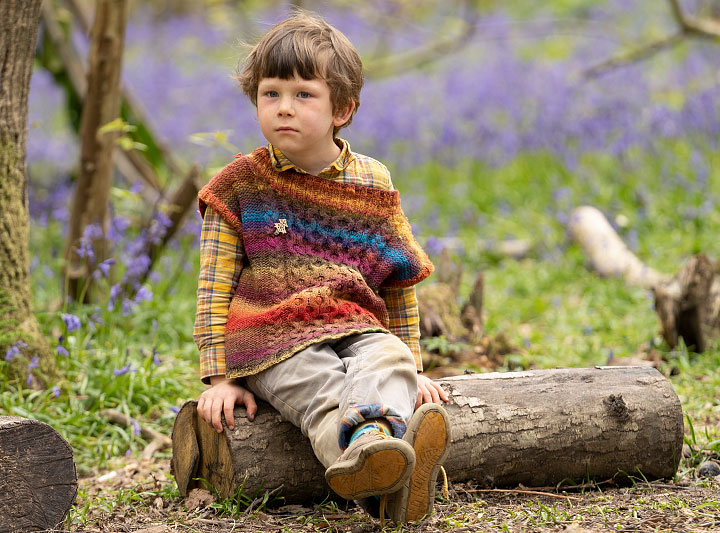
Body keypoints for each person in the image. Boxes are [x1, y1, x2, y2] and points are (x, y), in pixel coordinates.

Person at [193, 11, 450, 524]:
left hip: (355, 324)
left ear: (343, 108)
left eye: (303, 95)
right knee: (322, 388)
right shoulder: (240, 185)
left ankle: (377, 467)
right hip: (271, 339)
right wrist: (219, 376)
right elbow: (213, 286)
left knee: (386, 358)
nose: (283, 108)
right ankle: (383, 465)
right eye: (271, 94)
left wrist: (414, 363)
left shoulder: (373, 182)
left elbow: (398, 280)